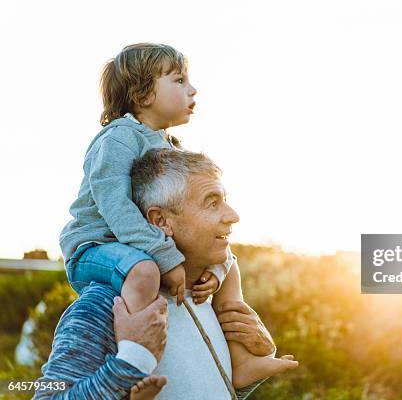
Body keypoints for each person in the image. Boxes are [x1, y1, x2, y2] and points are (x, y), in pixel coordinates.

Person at [58, 43, 287, 389]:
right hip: (98, 246)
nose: (192, 89)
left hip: (142, 253)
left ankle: (243, 360)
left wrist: (213, 271)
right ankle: (139, 360)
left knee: (231, 265)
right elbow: (114, 203)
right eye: (179, 80)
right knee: (144, 271)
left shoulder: (170, 146)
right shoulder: (118, 138)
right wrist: (163, 255)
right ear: (141, 93)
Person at [37, 148, 298, 399]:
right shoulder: (107, 305)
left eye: (225, 201)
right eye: (212, 203)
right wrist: (131, 360)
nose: (233, 216)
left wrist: (256, 359)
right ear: (161, 221)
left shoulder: (207, 298)